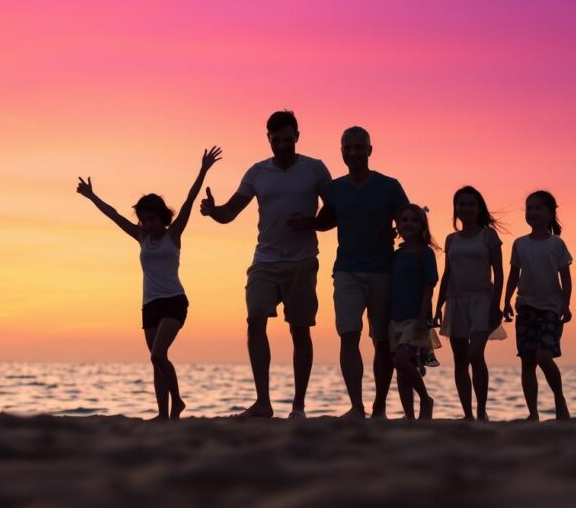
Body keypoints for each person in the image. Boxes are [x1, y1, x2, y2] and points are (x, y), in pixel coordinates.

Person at [200, 111, 331, 418]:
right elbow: (230, 212)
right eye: (277, 140)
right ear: (268, 138)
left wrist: (311, 222)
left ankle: (298, 406)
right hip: (265, 261)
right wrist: (212, 210)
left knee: (300, 331)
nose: (284, 145)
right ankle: (263, 402)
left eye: (289, 139)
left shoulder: (315, 169)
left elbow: (334, 213)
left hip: (302, 262)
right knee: (255, 319)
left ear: (298, 136)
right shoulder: (257, 172)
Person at [76, 146, 222, 419]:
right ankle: (163, 415)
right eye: (143, 220)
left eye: (151, 219)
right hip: (149, 305)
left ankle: (178, 402)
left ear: (162, 217)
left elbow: (190, 200)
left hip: (174, 302)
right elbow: (115, 215)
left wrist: (203, 169)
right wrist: (91, 196)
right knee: (156, 363)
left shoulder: (173, 234)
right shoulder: (141, 236)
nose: (147, 224)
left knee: (158, 355)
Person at [296, 126, 409, 419]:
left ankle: (379, 407)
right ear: (342, 152)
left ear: (370, 150)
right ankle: (357, 406)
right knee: (348, 335)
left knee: (381, 341)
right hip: (347, 270)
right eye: (348, 148)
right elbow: (326, 221)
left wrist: (411, 248)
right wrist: (305, 222)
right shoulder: (335, 188)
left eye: (359, 147)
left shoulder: (390, 186)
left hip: (383, 271)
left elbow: (408, 221)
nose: (354, 153)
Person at [434, 186, 505, 421]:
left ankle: (482, 411)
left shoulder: (488, 236)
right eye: (461, 204)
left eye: (470, 204)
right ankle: (467, 415)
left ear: (479, 208)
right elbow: (447, 274)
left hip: (482, 300)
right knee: (460, 359)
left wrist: (497, 305)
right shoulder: (451, 239)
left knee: (476, 354)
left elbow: (499, 272)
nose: (465, 208)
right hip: (455, 302)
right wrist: (438, 305)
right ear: (456, 209)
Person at [503, 190, 573, 421]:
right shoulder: (520, 244)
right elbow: (513, 275)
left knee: (544, 356)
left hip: (551, 309)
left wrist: (566, 303)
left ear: (551, 213)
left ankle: (559, 398)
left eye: (538, 208)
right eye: (529, 208)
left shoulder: (557, 244)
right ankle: (533, 413)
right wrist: (506, 300)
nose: (532, 212)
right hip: (526, 307)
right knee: (527, 361)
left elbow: (566, 277)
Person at [388, 204, 439, 420]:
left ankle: (426, 399)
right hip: (394, 317)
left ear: (421, 226)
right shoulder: (394, 255)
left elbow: (429, 286)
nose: (408, 224)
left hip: (415, 319)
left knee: (402, 359)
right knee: (401, 369)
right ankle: (409, 416)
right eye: (404, 220)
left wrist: (422, 317)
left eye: (413, 220)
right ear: (398, 226)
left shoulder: (425, 254)